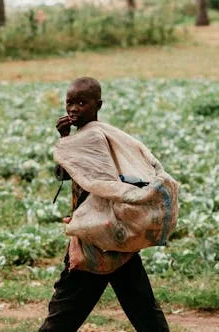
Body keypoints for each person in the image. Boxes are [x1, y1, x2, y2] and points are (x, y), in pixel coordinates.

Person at [39, 77, 170, 332]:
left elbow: (102, 181)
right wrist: (65, 139)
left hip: (96, 235)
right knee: (142, 305)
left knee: (65, 308)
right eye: (69, 103)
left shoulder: (97, 138)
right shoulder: (86, 137)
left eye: (81, 103)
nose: (74, 108)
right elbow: (66, 174)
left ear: (97, 105)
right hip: (114, 233)